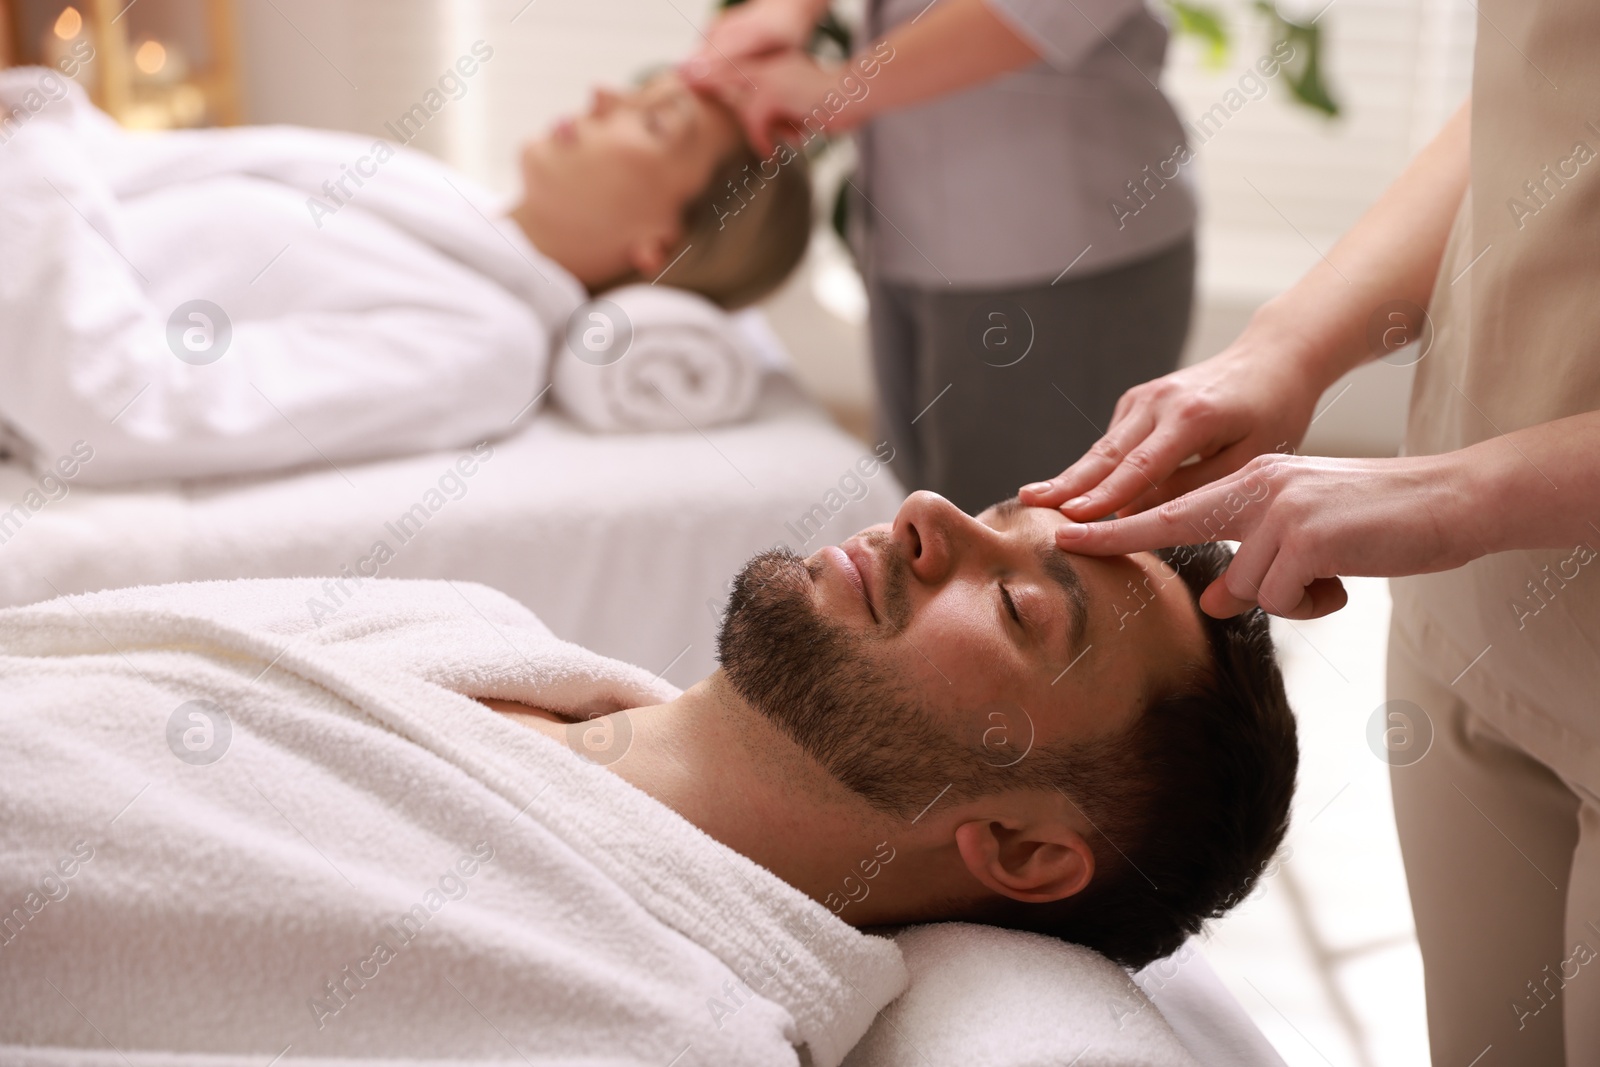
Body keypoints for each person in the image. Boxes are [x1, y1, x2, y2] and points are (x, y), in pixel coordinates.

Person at [0, 491, 1296, 1062]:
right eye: (1001, 511)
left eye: (1018, 602)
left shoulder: (644, 1022)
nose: (928, 510)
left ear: (1020, 847)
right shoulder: (452, 621)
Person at [1021, 1, 1600, 1061]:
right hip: (1469, 633)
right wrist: (1286, 346)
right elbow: (1540, 100)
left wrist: (1467, 493)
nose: (918, 514)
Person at [0, 69, 809, 485]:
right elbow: (143, 182)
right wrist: (45, 122)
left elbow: (116, 404)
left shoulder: (479, 347)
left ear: (656, 240)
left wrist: (36, 159)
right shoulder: (440, 198)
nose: (604, 94)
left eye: (652, 118)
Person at [684, 0, 1197, 514]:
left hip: (1059, 252)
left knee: (1022, 545)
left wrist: (841, 88)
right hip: (912, 235)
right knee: (924, 527)